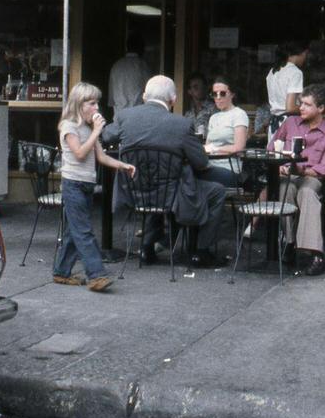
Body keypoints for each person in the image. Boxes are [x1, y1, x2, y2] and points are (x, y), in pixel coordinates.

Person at [102, 75, 229, 269]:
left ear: (144, 96)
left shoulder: (124, 117)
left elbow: (106, 136)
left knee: (156, 180)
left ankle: (147, 247)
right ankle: (201, 251)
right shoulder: (181, 125)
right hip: (171, 196)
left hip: (135, 191)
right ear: (173, 100)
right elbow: (202, 163)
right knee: (217, 191)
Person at [52, 83, 136, 291]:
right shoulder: (68, 126)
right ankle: (96, 275)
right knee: (84, 232)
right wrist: (97, 130)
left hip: (87, 184)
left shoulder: (89, 127)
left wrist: (122, 165)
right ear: (80, 104)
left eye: (97, 103)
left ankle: (61, 272)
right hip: (73, 183)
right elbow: (80, 153)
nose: (97, 107)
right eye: (92, 103)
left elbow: (101, 156)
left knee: (75, 230)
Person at [268, 83, 325, 276]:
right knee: (286, 189)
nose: (300, 107)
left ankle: (315, 253)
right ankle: (290, 242)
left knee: (307, 192)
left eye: (307, 105)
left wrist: (298, 169)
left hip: (311, 177)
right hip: (288, 175)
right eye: (301, 103)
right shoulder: (290, 123)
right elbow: (271, 148)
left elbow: (322, 170)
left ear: (321, 108)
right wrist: (281, 164)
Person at [203, 77, 248, 184]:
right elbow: (207, 146)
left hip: (229, 168)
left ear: (232, 94)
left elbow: (239, 147)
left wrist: (214, 149)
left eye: (222, 93)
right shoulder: (213, 117)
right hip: (210, 165)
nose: (218, 98)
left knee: (193, 177)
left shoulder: (239, 114)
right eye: (215, 94)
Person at [265, 42, 309, 132]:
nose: (305, 58)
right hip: (289, 124)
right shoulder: (295, 72)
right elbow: (290, 107)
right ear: (301, 53)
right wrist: (311, 110)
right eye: (305, 54)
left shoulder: (273, 71)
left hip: (274, 124)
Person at [107, 33, 152, 111]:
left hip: (119, 115)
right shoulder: (142, 65)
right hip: (137, 114)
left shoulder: (116, 65)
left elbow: (111, 99)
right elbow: (149, 92)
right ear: (141, 47)